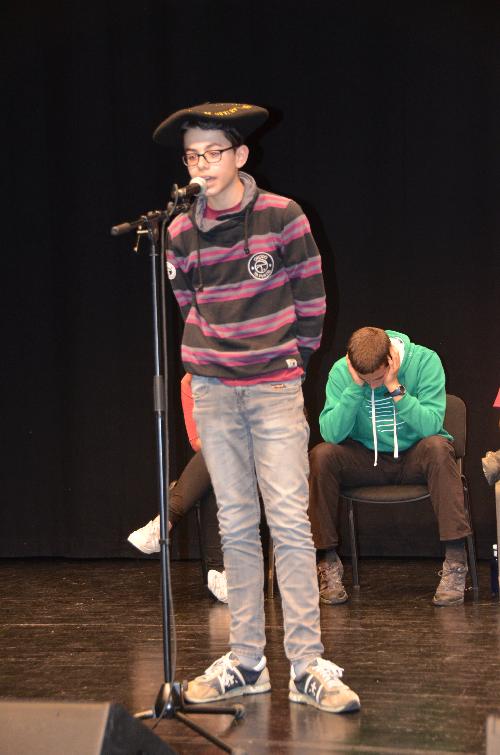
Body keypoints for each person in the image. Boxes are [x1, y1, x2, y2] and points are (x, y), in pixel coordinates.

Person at [151, 101, 360, 713]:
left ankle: (307, 665)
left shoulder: (281, 216)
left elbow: (312, 298)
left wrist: (289, 360)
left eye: (214, 152)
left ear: (241, 155)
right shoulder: (177, 231)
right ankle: (246, 662)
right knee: (236, 525)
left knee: (289, 521)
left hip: (273, 388)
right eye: (192, 155)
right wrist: (214, 360)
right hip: (214, 391)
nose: (202, 164)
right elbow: (187, 303)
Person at [308, 326, 473, 607]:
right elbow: (332, 434)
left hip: (413, 455)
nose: (373, 385)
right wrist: (354, 388)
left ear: (391, 359)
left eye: (378, 377)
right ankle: (327, 562)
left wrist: (395, 387)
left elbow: (431, 426)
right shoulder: (340, 372)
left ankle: (456, 562)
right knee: (322, 456)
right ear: (351, 364)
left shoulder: (425, 361)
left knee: (439, 448)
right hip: (365, 458)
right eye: (365, 379)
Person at [127, 374, 228, 603]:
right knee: (216, 471)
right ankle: (223, 575)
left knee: (218, 458)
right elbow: (197, 441)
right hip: (226, 464)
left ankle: (164, 523)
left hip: (264, 462)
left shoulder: (254, 371)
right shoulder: (191, 383)